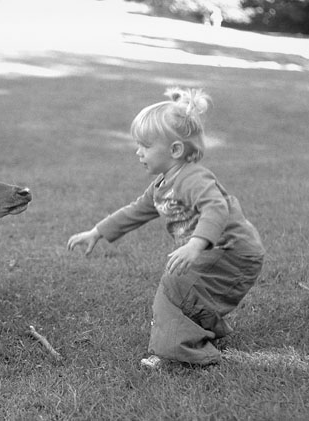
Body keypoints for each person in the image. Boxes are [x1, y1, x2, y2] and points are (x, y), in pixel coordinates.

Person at [67, 88, 265, 368]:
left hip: (231, 250)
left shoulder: (192, 178)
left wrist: (196, 244)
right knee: (186, 287)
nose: (138, 152)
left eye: (145, 146)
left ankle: (181, 355)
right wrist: (97, 232)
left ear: (175, 150)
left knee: (173, 291)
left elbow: (216, 207)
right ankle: (196, 335)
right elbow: (136, 210)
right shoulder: (163, 184)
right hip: (221, 252)